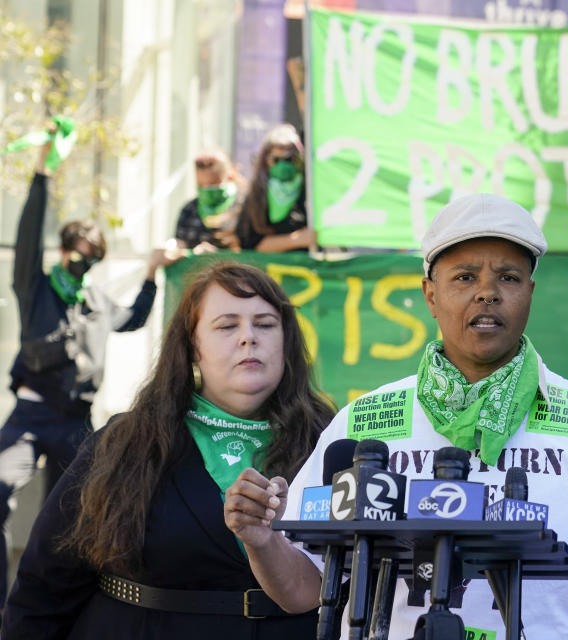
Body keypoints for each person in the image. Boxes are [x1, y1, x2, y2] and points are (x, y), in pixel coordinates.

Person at [224, 193, 568, 639]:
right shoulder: (364, 423)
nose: (488, 293)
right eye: (465, 277)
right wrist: (260, 537)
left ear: (531, 294)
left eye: (508, 278)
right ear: (430, 295)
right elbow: (304, 590)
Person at [2, 262, 336, 638]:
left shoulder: (331, 440)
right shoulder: (129, 442)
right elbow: (46, 582)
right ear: (193, 346)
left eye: (265, 323)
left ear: (286, 341)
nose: (248, 337)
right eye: (227, 325)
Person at [0, 139, 183, 612]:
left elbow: (134, 318)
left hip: (77, 423)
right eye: (76, 254)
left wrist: (151, 272)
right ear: (62, 251)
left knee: (80, 516)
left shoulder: (97, 303)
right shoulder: (35, 287)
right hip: (30, 415)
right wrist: (42, 176)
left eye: (90, 258)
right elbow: (25, 237)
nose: (81, 263)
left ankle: (65, 606)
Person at [235, 124, 312, 252]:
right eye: (275, 159)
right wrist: (297, 239)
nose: (282, 165)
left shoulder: (310, 192)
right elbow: (249, 243)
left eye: (289, 159)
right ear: (265, 161)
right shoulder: (256, 196)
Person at [173, 149, 244, 252]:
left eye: (213, 185)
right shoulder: (189, 210)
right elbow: (180, 244)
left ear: (230, 176)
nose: (207, 190)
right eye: (201, 185)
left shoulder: (245, 208)